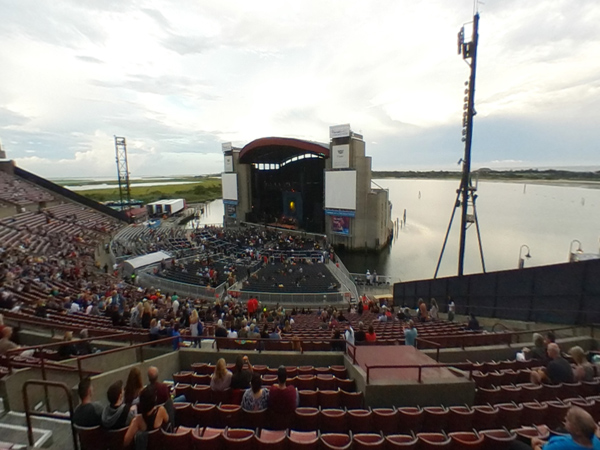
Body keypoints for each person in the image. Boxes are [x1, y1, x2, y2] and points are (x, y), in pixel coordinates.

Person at [529, 406, 600, 450]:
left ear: (577, 431)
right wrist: (544, 443)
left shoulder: (558, 446)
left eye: (568, 420)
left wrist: (535, 445)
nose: (565, 418)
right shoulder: (595, 441)